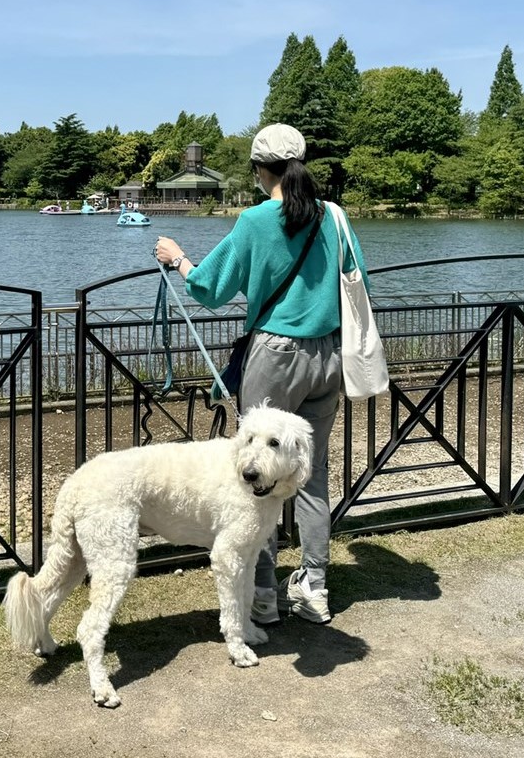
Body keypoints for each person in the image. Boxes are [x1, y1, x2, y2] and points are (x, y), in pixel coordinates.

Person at [153, 123, 367, 626]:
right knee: (306, 473)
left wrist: (178, 259)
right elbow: (356, 282)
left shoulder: (254, 220)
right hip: (330, 355)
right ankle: (314, 587)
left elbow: (209, 287)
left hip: (274, 354)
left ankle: (264, 595)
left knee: (255, 474)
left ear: (259, 169)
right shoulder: (334, 217)